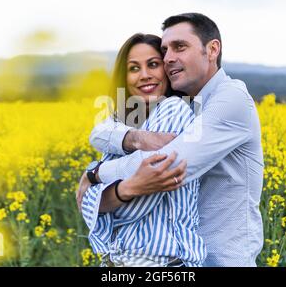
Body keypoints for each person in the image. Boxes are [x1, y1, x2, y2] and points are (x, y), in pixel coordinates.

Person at [77, 13, 265, 267]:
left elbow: (163, 166)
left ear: (212, 49)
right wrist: (133, 138)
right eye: (165, 51)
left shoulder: (229, 99)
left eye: (180, 47)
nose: (169, 59)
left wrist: (95, 174)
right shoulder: (173, 109)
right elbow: (101, 132)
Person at [80, 33, 207, 267]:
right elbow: (86, 204)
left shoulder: (175, 109)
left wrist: (96, 177)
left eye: (153, 64)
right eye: (134, 68)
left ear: (167, 69)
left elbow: (123, 212)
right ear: (124, 77)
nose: (145, 75)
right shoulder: (124, 124)